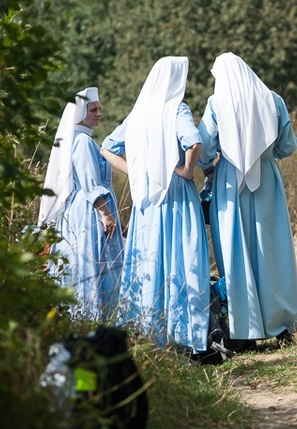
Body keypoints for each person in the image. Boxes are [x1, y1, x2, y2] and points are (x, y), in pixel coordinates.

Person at [101, 56, 211, 355]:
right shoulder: (176, 109)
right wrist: (187, 171)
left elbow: (107, 147)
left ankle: (148, 332)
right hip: (174, 193)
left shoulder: (136, 115)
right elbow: (194, 141)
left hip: (146, 197)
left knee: (149, 259)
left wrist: (138, 172)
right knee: (182, 257)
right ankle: (185, 335)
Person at [198, 52, 297, 345]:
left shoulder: (216, 102)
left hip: (230, 184)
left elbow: (205, 147)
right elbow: (287, 145)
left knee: (236, 253)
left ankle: (246, 328)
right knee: (273, 250)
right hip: (267, 179)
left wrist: (210, 166)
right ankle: (283, 325)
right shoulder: (274, 99)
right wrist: (267, 156)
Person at [38, 87, 124, 321]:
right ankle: (94, 315)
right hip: (91, 210)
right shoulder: (84, 142)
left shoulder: (78, 139)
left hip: (82, 208)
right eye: (93, 109)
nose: (99, 113)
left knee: (83, 261)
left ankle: (82, 314)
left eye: (99, 109)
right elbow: (90, 183)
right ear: (80, 113)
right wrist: (105, 213)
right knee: (93, 262)